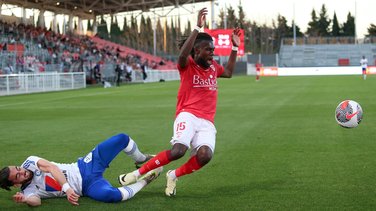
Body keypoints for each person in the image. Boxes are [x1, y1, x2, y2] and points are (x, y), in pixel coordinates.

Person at [118, 7, 241, 197]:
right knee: (178, 150)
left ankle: (173, 175)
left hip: (207, 121)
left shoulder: (213, 68)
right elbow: (183, 55)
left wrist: (234, 47)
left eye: (213, 50)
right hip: (188, 114)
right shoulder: (187, 65)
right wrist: (197, 28)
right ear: (197, 50)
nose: (212, 53)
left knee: (205, 156)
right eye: (209, 50)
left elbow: (230, 73)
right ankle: (136, 174)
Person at [0, 133, 162, 206]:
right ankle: (147, 180)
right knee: (112, 196)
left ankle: (141, 159)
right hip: (88, 187)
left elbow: (51, 167)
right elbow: (36, 201)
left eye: (17, 168)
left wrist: (67, 188)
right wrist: (26, 200)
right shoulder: (27, 191)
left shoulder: (29, 162)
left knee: (121, 139)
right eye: (18, 176)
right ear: (15, 184)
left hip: (84, 166)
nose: (21, 171)